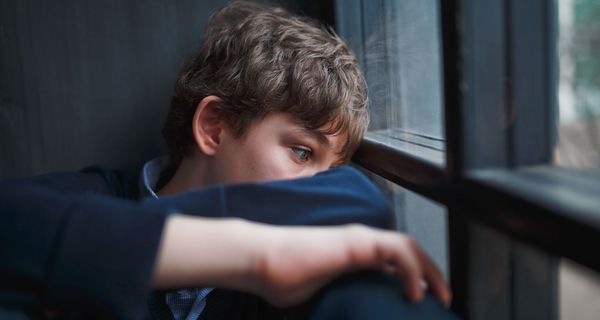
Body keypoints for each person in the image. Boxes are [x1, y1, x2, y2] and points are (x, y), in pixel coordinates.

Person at [0, 1, 456, 319]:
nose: (318, 185)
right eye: (301, 151)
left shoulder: (307, 257)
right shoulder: (87, 201)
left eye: (331, 168)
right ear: (214, 126)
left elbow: (357, 201)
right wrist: (249, 255)